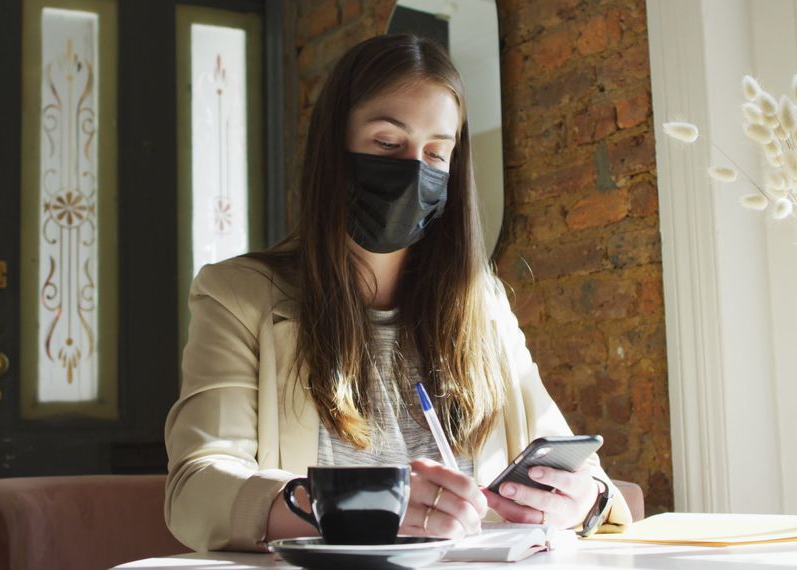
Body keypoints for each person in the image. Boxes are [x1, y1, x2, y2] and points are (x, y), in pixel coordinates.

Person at [164, 33, 631, 552]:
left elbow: (589, 476)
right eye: (388, 144)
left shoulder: (485, 304)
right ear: (333, 149)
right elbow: (195, 491)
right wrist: (360, 508)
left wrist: (584, 499)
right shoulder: (238, 296)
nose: (413, 168)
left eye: (437, 153)